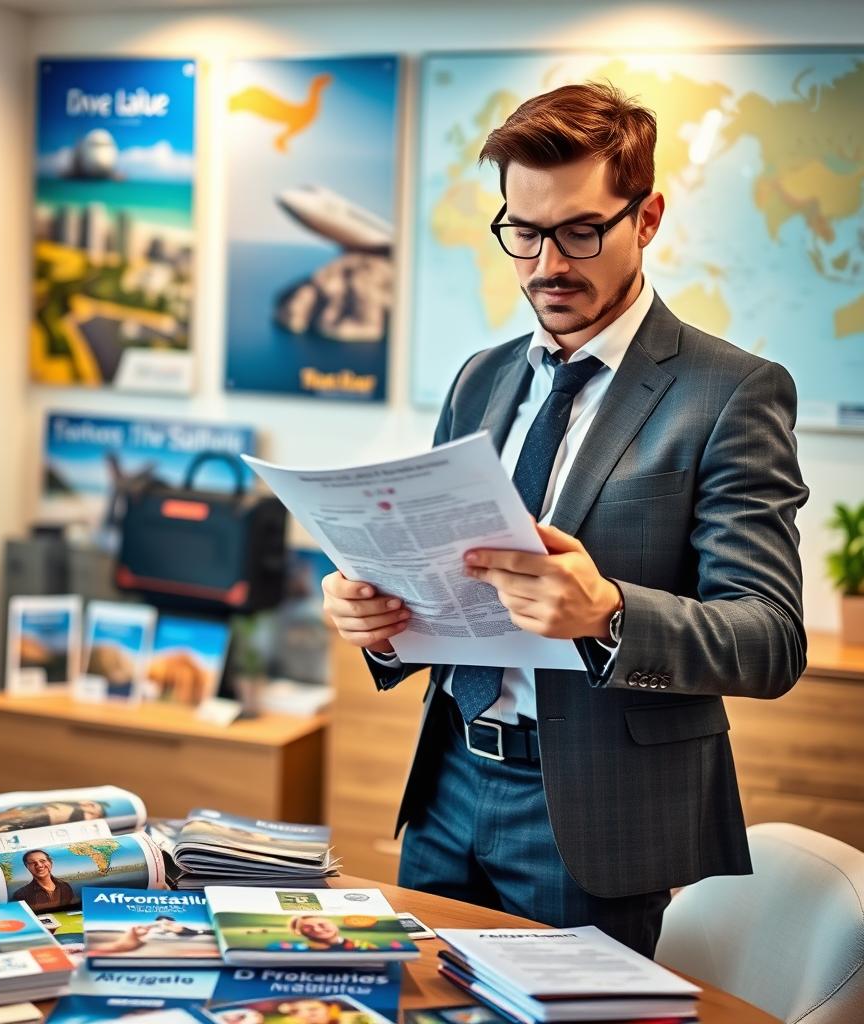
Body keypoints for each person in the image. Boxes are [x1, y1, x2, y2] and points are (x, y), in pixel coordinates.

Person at [322, 81, 808, 959]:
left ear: (647, 217)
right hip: (447, 788)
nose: (548, 264)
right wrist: (380, 625)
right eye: (524, 232)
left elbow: (771, 639)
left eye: (582, 231)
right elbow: (438, 590)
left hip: (595, 814)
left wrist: (610, 613)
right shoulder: (481, 377)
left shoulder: (730, 393)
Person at [10, 849, 75, 911]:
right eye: (33, 863)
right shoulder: (21, 895)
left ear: (50, 863)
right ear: (27, 867)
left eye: (42, 861)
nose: (39, 865)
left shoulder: (65, 886)